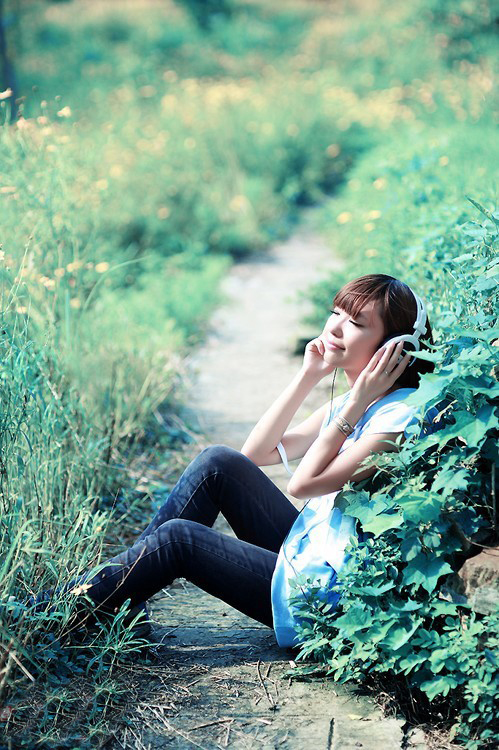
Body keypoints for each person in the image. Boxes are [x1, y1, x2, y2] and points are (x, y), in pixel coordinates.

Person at [20, 273, 436, 647]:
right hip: (310, 549)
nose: (335, 327)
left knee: (178, 540)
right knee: (218, 462)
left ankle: (52, 614)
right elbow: (255, 455)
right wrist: (309, 374)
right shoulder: (353, 401)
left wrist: (353, 408)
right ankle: (118, 599)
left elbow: (302, 485)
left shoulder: (396, 418)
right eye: (336, 313)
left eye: (356, 323)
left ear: (395, 349)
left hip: (321, 596)